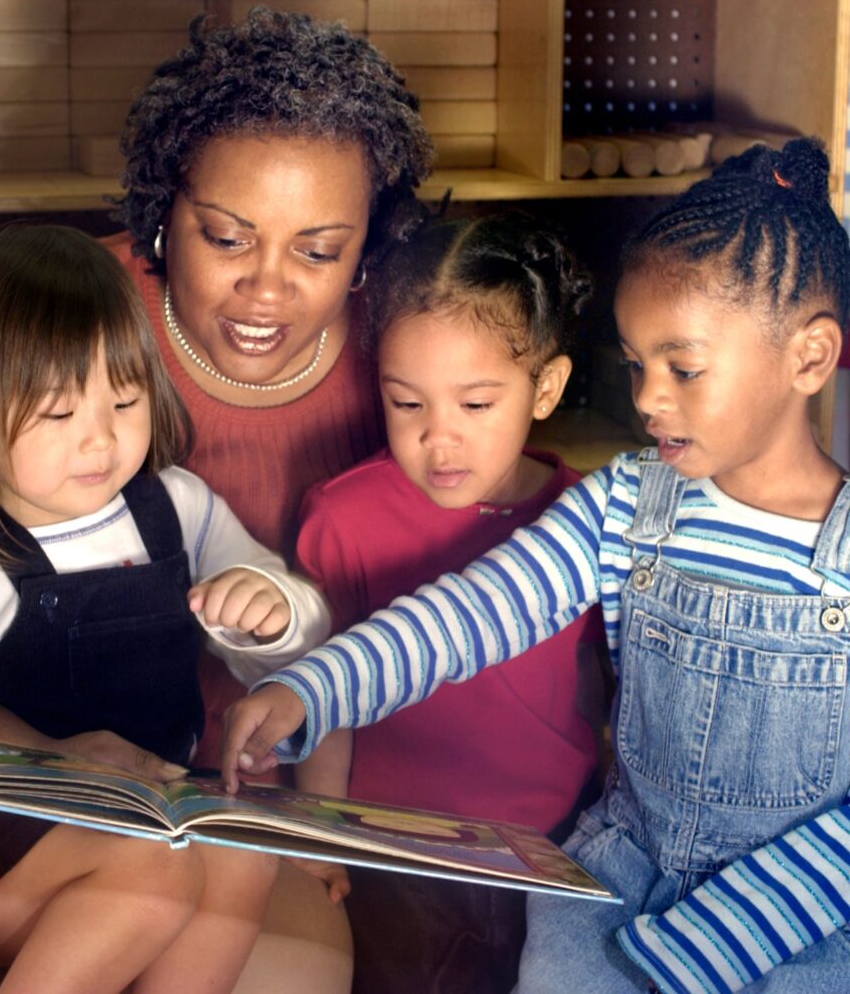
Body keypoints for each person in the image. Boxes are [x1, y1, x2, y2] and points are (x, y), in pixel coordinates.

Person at [0, 8, 433, 992]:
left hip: (208, 795)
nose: (266, 292)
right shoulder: (47, 326)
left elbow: (325, 621)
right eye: (226, 236)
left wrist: (280, 626)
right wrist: (53, 764)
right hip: (8, 789)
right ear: (161, 210)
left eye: (319, 252)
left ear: (368, 248)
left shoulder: (402, 364)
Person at [221, 137, 850, 993]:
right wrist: (312, 689)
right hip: (618, 879)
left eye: (683, 368)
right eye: (636, 364)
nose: (647, 398)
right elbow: (469, 616)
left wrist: (722, 942)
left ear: (809, 357)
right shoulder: (624, 501)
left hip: (803, 917)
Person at [0, 223, 336, 994]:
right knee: (156, 870)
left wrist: (275, 610)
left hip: (140, 817)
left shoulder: (180, 506)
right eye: (57, 413)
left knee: (243, 848)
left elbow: (289, 639)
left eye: (124, 398)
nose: (100, 439)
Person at [292, 211, 606, 992]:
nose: (441, 440)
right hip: (398, 855)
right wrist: (319, 834)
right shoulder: (344, 516)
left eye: (475, 404)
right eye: (408, 405)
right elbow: (326, 695)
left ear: (547, 387)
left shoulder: (590, 523)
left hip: (549, 854)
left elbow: (606, 699)